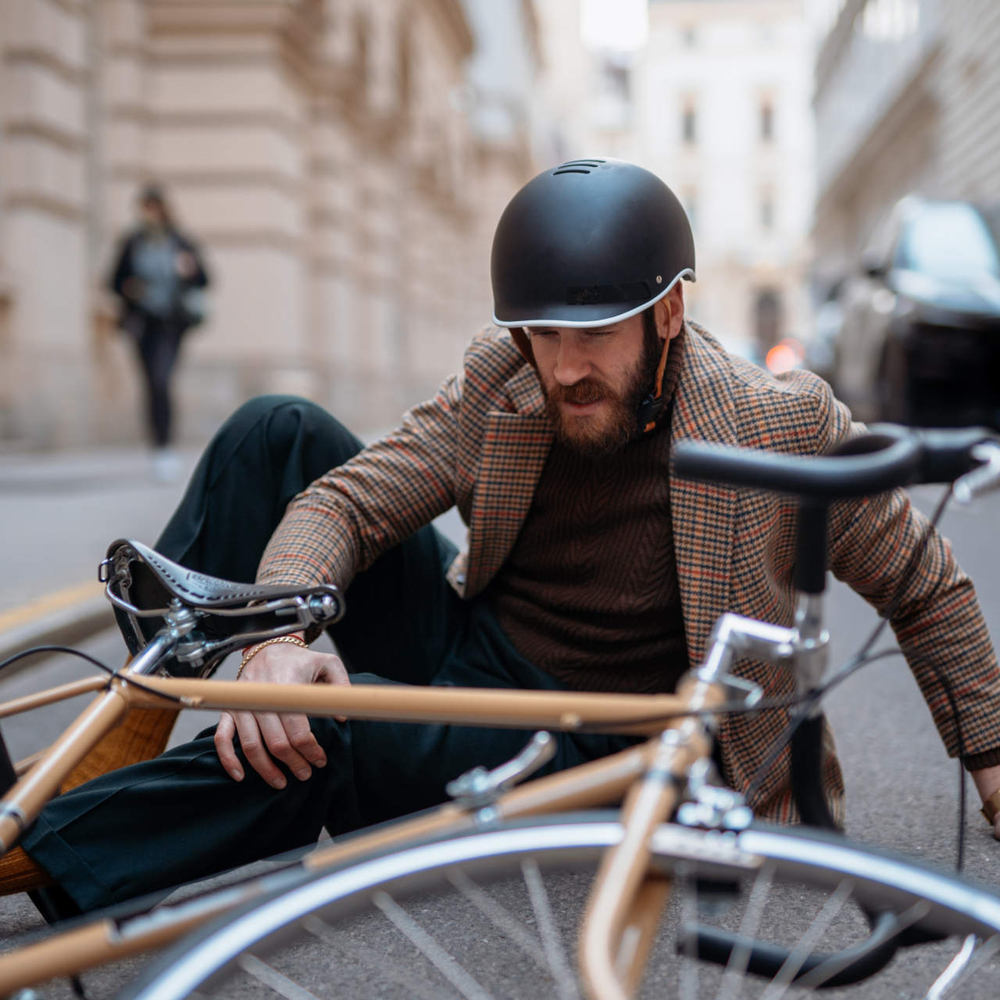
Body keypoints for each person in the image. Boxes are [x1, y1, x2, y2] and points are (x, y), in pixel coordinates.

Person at [4, 159, 999, 915]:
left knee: (324, 735)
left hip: (591, 740)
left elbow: (923, 584)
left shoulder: (774, 423)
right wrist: (273, 642)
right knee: (278, 432)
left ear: (668, 314)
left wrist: (994, 764)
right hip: (474, 645)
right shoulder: (505, 375)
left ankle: (45, 849)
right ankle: (138, 722)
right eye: (542, 333)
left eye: (594, 332)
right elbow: (349, 502)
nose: (565, 367)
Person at [109, 184, 210, 482]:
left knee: (161, 379)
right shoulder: (133, 242)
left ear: (163, 208)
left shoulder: (180, 241)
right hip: (143, 324)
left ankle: (165, 447)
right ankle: (158, 446)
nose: (148, 214)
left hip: (171, 324)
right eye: (144, 208)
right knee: (151, 384)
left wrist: (189, 270)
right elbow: (113, 281)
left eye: (152, 207)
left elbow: (206, 278)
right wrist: (130, 288)